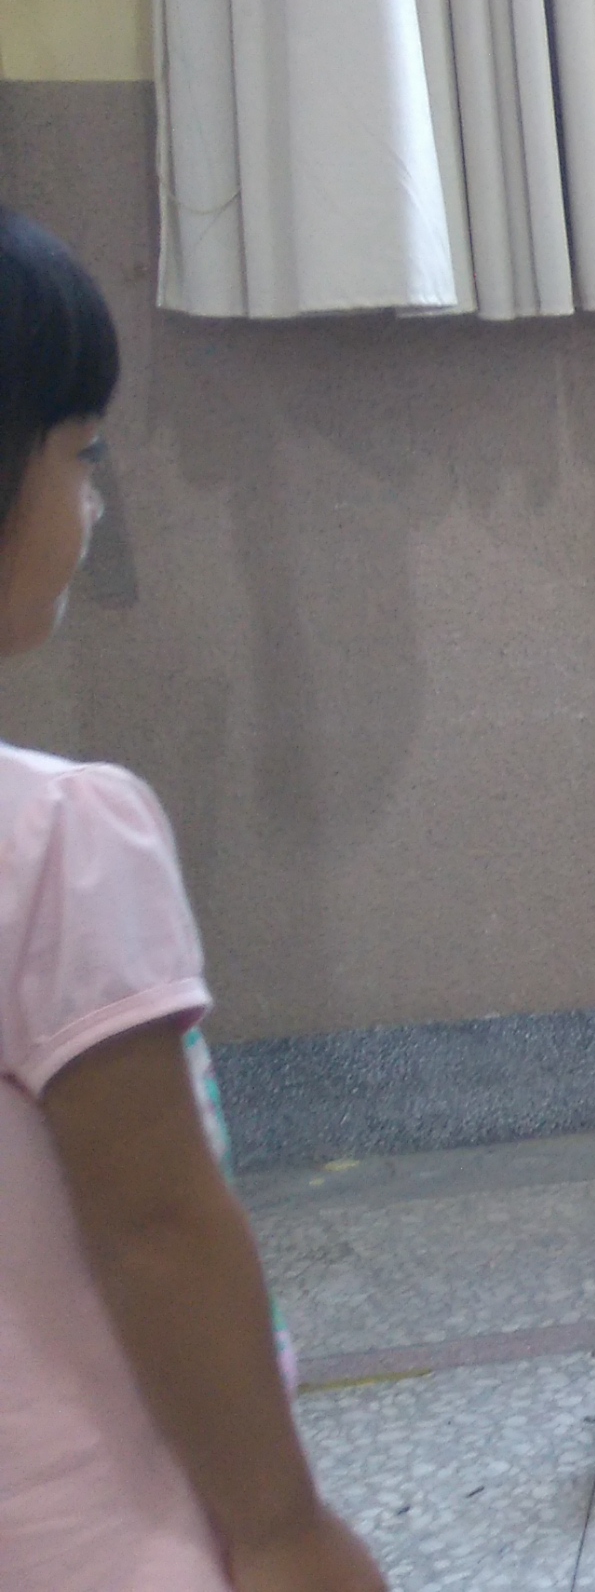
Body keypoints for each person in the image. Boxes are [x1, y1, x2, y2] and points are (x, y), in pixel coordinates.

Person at [0, 207, 390, 1591]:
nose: (91, 502)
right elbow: (156, 1229)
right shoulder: (54, 842)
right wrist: (282, 1530)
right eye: (79, 455)